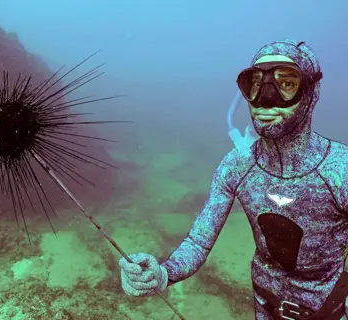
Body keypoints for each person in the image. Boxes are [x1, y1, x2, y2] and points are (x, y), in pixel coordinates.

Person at [119, 39, 348, 320]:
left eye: (286, 83)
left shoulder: (340, 171)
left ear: (312, 92)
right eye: (255, 83)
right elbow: (198, 243)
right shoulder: (236, 167)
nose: (265, 98)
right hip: (264, 305)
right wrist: (163, 273)